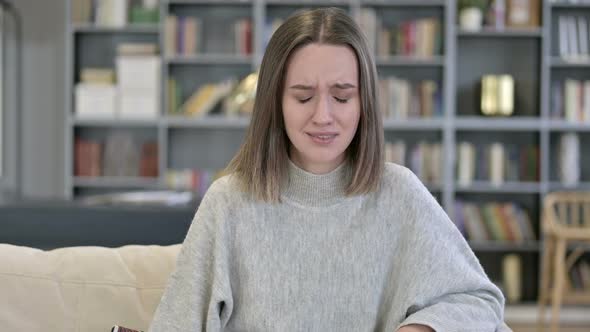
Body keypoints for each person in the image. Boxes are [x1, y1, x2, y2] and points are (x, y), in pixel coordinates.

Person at [149, 7, 509, 332]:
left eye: (342, 97)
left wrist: (422, 328)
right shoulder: (229, 203)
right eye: (303, 96)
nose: (323, 116)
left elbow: (480, 301)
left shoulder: (400, 193)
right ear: (275, 103)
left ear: (364, 103)